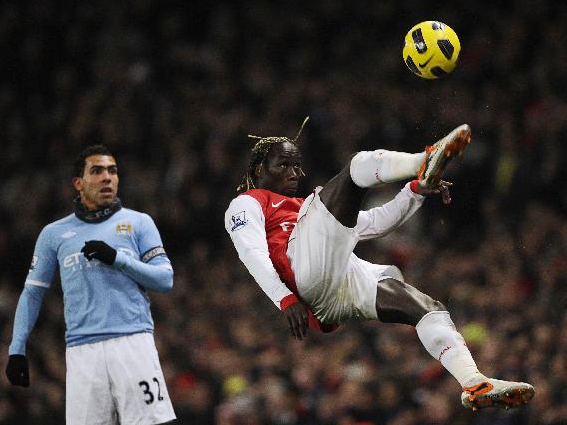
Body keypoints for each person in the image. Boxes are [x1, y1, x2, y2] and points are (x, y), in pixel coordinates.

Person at [224, 119, 535, 411]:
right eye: (284, 165)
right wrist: (285, 298)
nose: (295, 173)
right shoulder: (247, 203)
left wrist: (415, 191)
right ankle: (423, 159)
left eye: (297, 165)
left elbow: (374, 223)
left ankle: (474, 382)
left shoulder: (305, 211)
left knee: (426, 307)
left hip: (335, 288)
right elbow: (252, 253)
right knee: (357, 166)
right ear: (259, 168)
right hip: (302, 275)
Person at [6, 145, 176, 424]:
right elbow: (32, 292)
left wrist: (118, 259)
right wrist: (16, 349)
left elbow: (164, 279)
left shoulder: (139, 223)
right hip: (82, 352)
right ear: (78, 183)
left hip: (132, 342)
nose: (107, 177)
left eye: (112, 170)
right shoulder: (54, 234)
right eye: (96, 171)